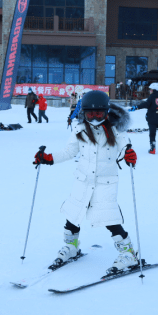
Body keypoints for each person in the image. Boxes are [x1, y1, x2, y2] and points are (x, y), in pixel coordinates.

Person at [32, 91, 139, 274]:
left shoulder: (115, 130)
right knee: (74, 214)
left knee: (108, 217)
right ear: (84, 113)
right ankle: (71, 246)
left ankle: (128, 253)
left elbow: (124, 147)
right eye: (91, 113)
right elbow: (68, 152)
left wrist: (128, 155)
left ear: (106, 112)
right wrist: (48, 158)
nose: (95, 117)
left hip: (105, 183)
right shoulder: (79, 129)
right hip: (82, 180)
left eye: (99, 114)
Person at [137, 82, 158, 154]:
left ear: (154, 89)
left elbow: (146, 104)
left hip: (152, 119)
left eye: (151, 89)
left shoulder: (152, 97)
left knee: (152, 134)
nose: (150, 90)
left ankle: (153, 149)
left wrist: (138, 107)